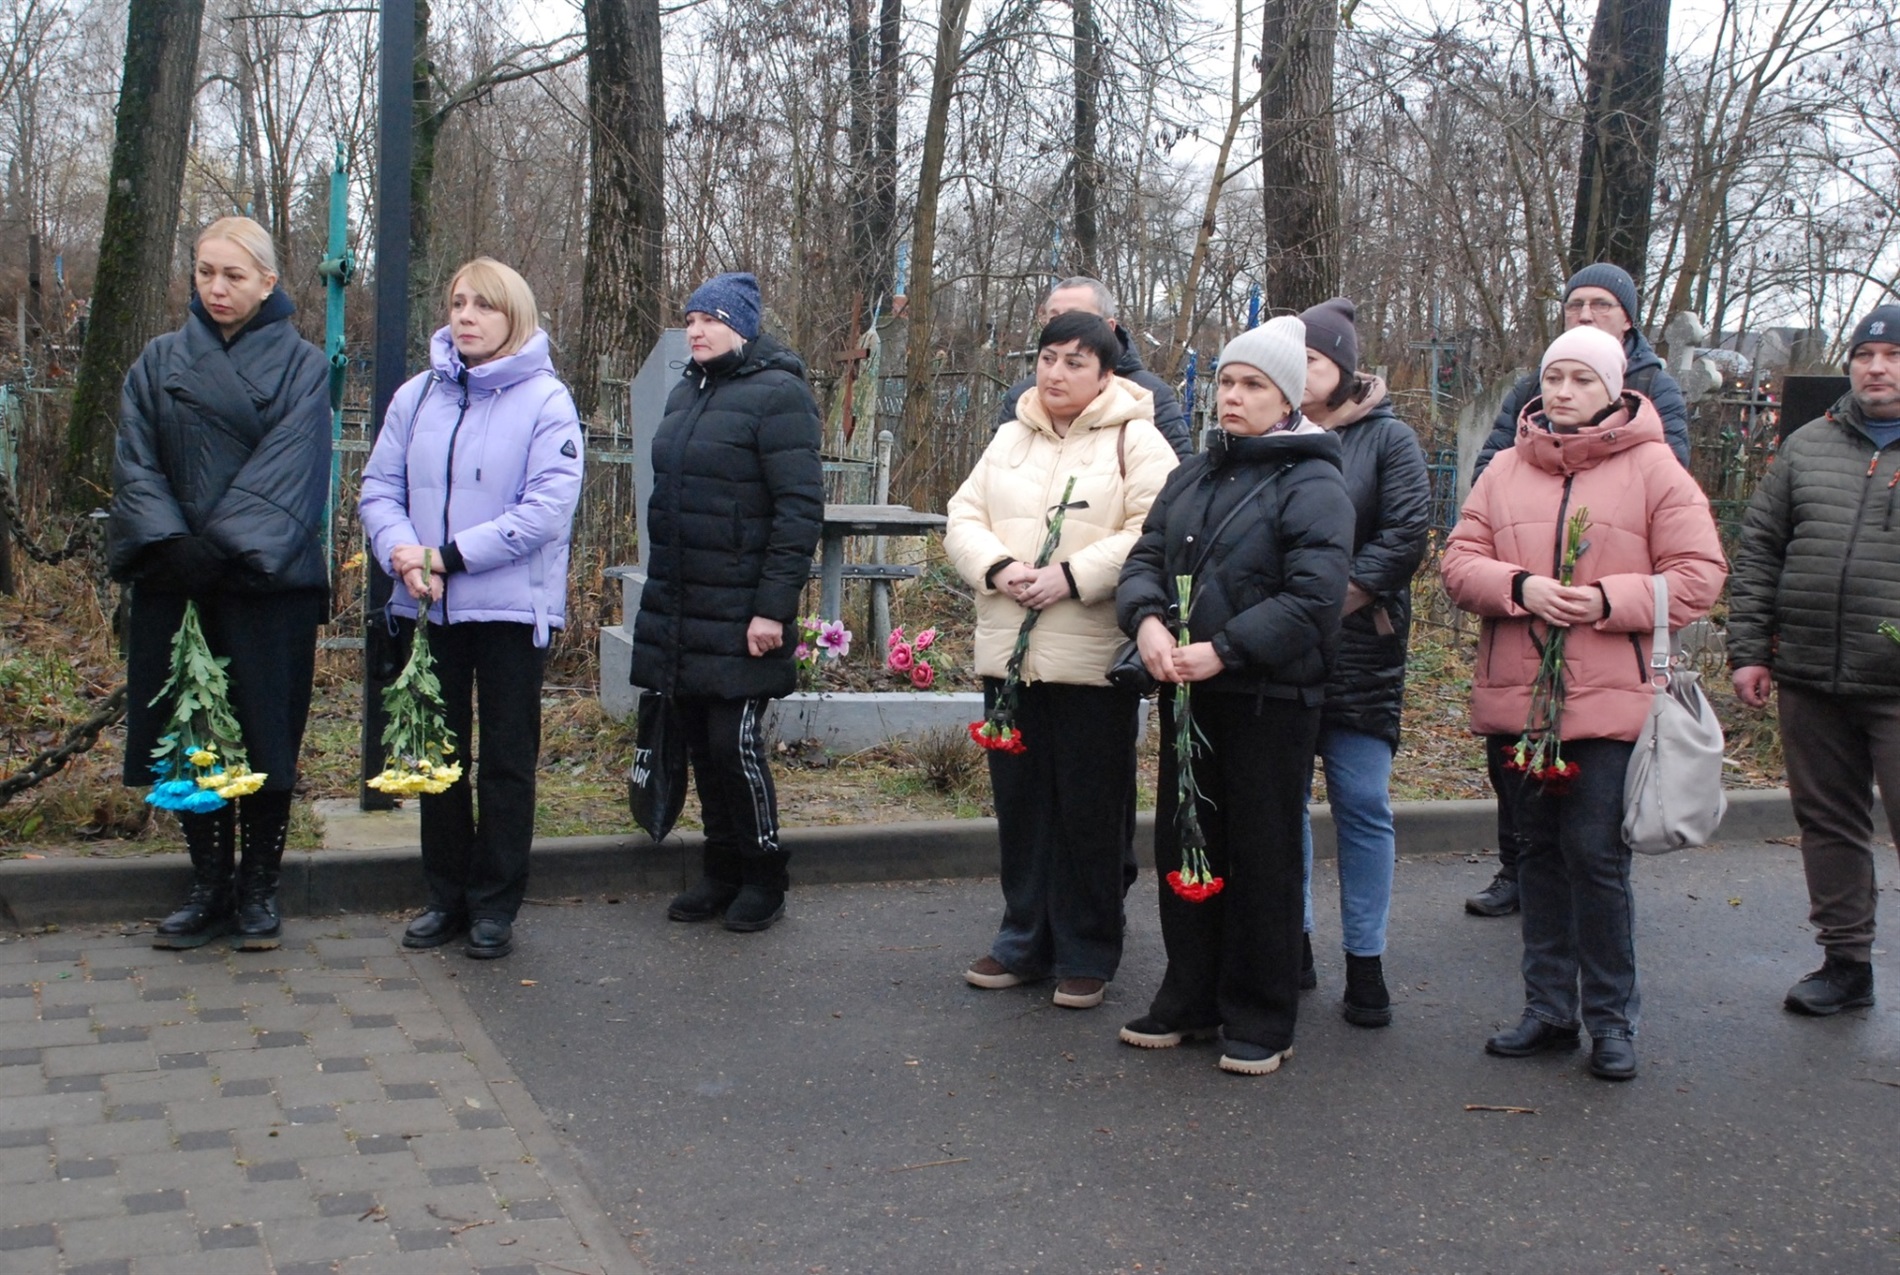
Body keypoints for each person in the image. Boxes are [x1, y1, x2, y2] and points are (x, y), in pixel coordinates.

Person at [1441, 325, 1725, 1081]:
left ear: (1613, 388)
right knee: (1535, 853)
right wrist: (1519, 587)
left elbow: (1699, 575)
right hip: (1519, 701)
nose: (1563, 391)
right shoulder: (1506, 467)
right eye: (1553, 377)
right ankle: (1547, 1010)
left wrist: (1605, 600)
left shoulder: (1655, 469)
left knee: (1596, 858)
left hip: (1611, 703)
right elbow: (1458, 562)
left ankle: (1611, 1020)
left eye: (1581, 379)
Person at [1115, 315, 1353, 1075]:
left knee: (1261, 853)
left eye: (1252, 384)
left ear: (1287, 399)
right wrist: (1147, 623)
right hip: (1189, 693)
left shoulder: (1315, 483)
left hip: (1267, 700)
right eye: (1226, 382)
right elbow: (1146, 557)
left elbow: (1314, 599)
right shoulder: (1193, 474)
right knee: (1186, 840)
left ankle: (1260, 1012)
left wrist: (1224, 649)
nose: (1232, 396)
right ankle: (1190, 993)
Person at [110, 216, 332, 952]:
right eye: (205, 272)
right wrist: (173, 545)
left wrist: (222, 547)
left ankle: (259, 888)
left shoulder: (302, 366)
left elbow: (293, 467)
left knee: (265, 734)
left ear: (268, 282)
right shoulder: (158, 360)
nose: (216, 288)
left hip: (265, 584)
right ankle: (207, 885)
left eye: (234, 275)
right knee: (192, 733)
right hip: (177, 580)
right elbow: (135, 459)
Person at [947, 311, 1178, 1009]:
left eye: (1076, 362)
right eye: (1048, 358)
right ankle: (1023, 938)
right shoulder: (1010, 436)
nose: (1056, 373)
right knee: (1021, 806)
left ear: (1106, 375)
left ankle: (1087, 948)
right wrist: (999, 568)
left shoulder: (1138, 441)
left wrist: (1072, 576)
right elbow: (963, 516)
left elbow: (1156, 530)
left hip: (1091, 660)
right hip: (1011, 657)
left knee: (1089, 810)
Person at [359, 257, 583, 961]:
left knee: (507, 763)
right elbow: (379, 488)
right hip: (429, 610)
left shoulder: (546, 401)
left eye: (483, 305)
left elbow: (545, 510)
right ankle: (445, 895)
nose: (465, 316)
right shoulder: (417, 396)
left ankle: (495, 904)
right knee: (439, 758)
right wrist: (403, 554)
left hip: (511, 614)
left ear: (512, 315)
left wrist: (447, 557)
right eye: (458, 302)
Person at [1463, 263, 1693, 920]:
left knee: (1593, 845)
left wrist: (1606, 594)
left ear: (1628, 319)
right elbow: (1481, 506)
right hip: (1521, 648)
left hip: (1608, 662)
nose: (1586, 313)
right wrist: (1520, 578)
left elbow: (1683, 544)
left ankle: (1606, 975)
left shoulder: (1655, 404)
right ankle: (1519, 888)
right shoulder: (1527, 407)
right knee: (1529, 825)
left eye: (1601, 304)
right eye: (1575, 304)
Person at [630, 272, 824, 934]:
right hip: (683, 606)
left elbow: (798, 510)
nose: (696, 330)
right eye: (690, 319)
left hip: (744, 613)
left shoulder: (780, 395)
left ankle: (764, 874)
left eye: (710, 319)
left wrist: (772, 608)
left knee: (733, 743)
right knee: (700, 745)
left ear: (742, 326)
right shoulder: (688, 391)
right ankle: (720, 870)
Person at [1728, 304, 1900, 1015]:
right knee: (1829, 823)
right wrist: (1749, 650)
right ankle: (1845, 963)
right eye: (1865, 355)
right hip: (1809, 672)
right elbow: (1760, 551)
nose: (1877, 368)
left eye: (1893, 356)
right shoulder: (1807, 445)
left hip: (1893, 683)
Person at [1292, 298, 1431, 1026]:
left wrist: (1329, 600)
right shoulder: (1273, 434)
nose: (1299, 371)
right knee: (1282, 803)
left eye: (1313, 359)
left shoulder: (1388, 439)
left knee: (1363, 802)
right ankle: (1294, 941)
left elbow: (1405, 534)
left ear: (1343, 368)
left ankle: (1366, 958)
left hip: (1359, 650)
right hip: (1281, 654)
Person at [996, 277, 1194, 460]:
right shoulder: (1024, 398)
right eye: (1054, 319)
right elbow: (994, 471)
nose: (1063, 328)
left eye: (1076, 318)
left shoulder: (1149, 397)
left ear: (1109, 327)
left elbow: (1179, 479)